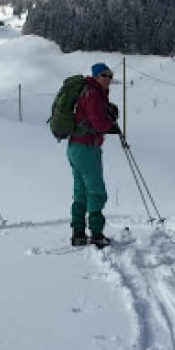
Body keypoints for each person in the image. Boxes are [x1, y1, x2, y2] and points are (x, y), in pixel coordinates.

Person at [67, 62, 120, 248]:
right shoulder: (93, 94)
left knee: (81, 192)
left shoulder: (89, 92)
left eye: (111, 75)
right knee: (96, 191)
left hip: (75, 147)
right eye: (105, 75)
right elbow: (98, 123)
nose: (109, 79)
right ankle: (96, 234)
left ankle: (78, 233)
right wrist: (110, 124)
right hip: (87, 148)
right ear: (97, 76)